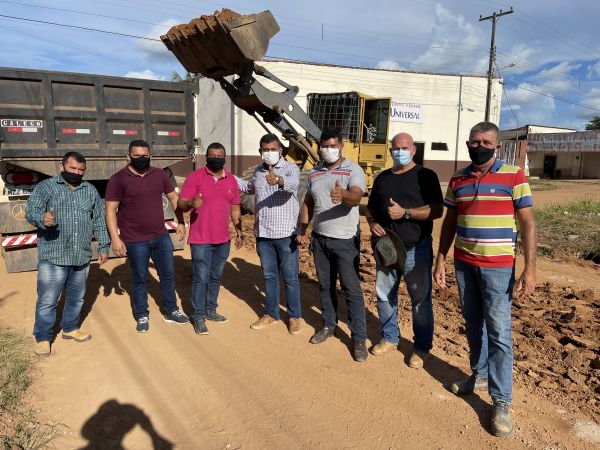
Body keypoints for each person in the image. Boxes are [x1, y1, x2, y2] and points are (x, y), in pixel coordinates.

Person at [434, 121, 537, 437]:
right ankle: (478, 374)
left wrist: (530, 268)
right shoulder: (458, 179)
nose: (480, 146)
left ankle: (501, 400)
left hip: (498, 267)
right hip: (465, 265)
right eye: (474, 141)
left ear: (496, 145)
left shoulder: (514, 176)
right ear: (468, 144)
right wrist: (441, 259)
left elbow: (528, 224)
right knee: (473, 323)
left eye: (486, 142)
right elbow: (451, 221)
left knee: (499, 332)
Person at [366, 132, 443, 368]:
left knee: (420, 300)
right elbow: (370, 210)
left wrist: (406, 213)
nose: (399, 152)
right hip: (387, 248)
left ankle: (421, 347)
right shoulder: (382, 179)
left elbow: (437, 210)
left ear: (413, 150)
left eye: (404, 147)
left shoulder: (426, 176)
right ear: (390, 151)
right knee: (384, 295)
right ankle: (390, 337)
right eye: (395, 148)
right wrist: (373, 223)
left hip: (416, 249)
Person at [26, 151, 110, 356]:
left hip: (80, 255)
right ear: (61, 167)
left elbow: (99, 219)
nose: (77, 172)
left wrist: (103, 245)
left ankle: (70, 328)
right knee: (48, 299)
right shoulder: (45, 188)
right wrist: (42, 219)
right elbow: (31, 211)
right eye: (73, 168)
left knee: (76, 297)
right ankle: (44, 337)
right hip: (54, 255)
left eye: (81, 170)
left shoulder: (89, 190)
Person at [297, 127, 368, 362]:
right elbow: (308, 201)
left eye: (333, 146)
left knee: (351, 289)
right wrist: (303, 229)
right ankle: (329, 325)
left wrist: (344, 196)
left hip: (346, 240)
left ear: (341, 147)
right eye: (324, 146)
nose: (328, 150)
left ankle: (358, 337)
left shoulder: (352, 170)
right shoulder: (315, 173)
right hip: (320, 239)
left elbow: (357, 196)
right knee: (325, 286)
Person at [105, 140, 188, 333]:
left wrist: (181, 222)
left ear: (150, 155)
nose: (142, 159)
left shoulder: (159, 175)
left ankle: (171, 310)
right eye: (137, 156)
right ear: (128, 157)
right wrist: (116, 239)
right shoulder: (118, 179)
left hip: (161, 237)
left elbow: (174, 198)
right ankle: (142, 314)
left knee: (167, 276)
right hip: (135, 240)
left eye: (145, 155)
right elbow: (110, 210)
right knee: (140, 278)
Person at [235, 134, 303, 334]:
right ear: (260, 151)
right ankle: (271, 314)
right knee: (269, 276)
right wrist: (228, 177)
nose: (270, 153)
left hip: (286, 234)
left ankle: (294, 316)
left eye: (273, 149)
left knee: (290, 278)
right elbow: (249, 188)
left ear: (281, 149)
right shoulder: (257, 171)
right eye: (266, 149)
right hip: (264, 234)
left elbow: (293, 185)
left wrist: (279, 180)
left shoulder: (291, 168)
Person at [178, 142, 243, 335]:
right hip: (201, 239)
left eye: (219, 155)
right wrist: (191, 203)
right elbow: (181, 204)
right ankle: (198, 315)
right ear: (206, 157)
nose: (216, 158)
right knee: (201, 277)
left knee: (215, 277)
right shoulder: (195, 177)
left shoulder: (231, 180)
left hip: (222, 239)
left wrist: (239, 230)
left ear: (225, 158)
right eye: (212, 155)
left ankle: (210, 310)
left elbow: (235, 208)